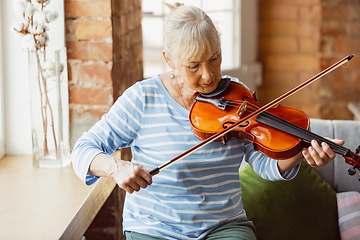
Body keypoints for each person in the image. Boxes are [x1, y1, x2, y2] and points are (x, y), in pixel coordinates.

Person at [71, 3, 344, 240]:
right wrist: (116, 167)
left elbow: (263, 164)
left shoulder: (238, 96)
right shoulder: (142, 99)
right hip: (154, 228)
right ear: (170, 60)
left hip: (223, 227)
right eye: (193, 66)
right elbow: (83, 150)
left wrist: (299, 153)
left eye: (215, 58)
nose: (209, 75)